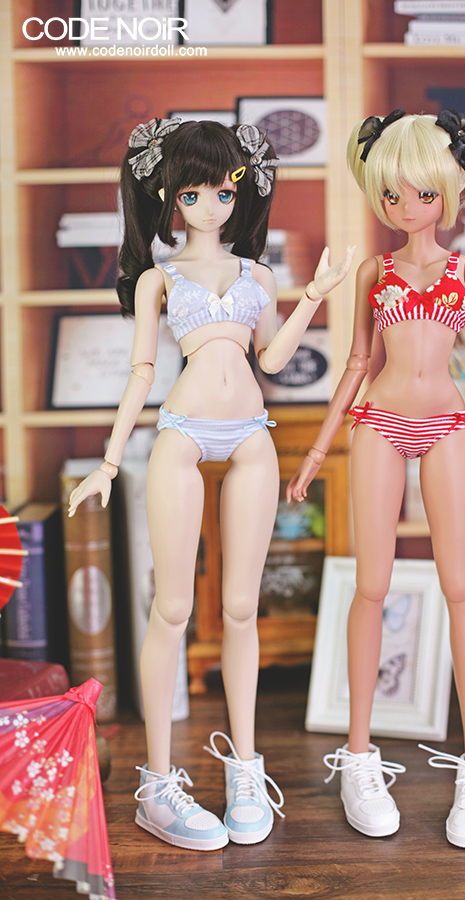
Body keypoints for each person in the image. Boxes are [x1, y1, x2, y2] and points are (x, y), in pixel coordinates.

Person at [68, 116, 354, 850]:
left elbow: (274, 359)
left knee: (240, 608)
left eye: (222, 192)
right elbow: (141, 373)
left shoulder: (258, 275)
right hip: (183, 434)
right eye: (191, 194)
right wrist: (108, 461)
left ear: (240, 192)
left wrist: (315, 295)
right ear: (169, 197)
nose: (208, 206)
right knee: (172, 607)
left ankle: (245, 770)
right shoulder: (160, 280)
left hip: (252, 437)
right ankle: (158, 785)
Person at [287, 109, 465, 849]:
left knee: (460, 587)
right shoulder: (374, 271)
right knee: (371, 585)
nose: (404, 207)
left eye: (421, 193)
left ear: (450, 191)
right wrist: (318, 450)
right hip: (380, 424)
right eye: (391, 194)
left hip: (449, 425)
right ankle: (359, 758)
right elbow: (358, 364)